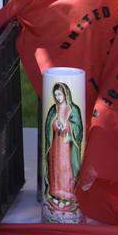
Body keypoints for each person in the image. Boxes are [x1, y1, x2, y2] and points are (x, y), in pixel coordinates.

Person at [42, 81, 84, 215]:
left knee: (66, 168)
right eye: (56, 95)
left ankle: (68, 196)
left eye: (60, 94)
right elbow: (49, 124)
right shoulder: (53, 109)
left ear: (66, 94)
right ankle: (55, 194)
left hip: (67, 146)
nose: (58, 97)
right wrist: (55, 124)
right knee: (56, 168)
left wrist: (66, 126)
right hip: (55, 145)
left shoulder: (74, 109)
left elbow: (78, 128)